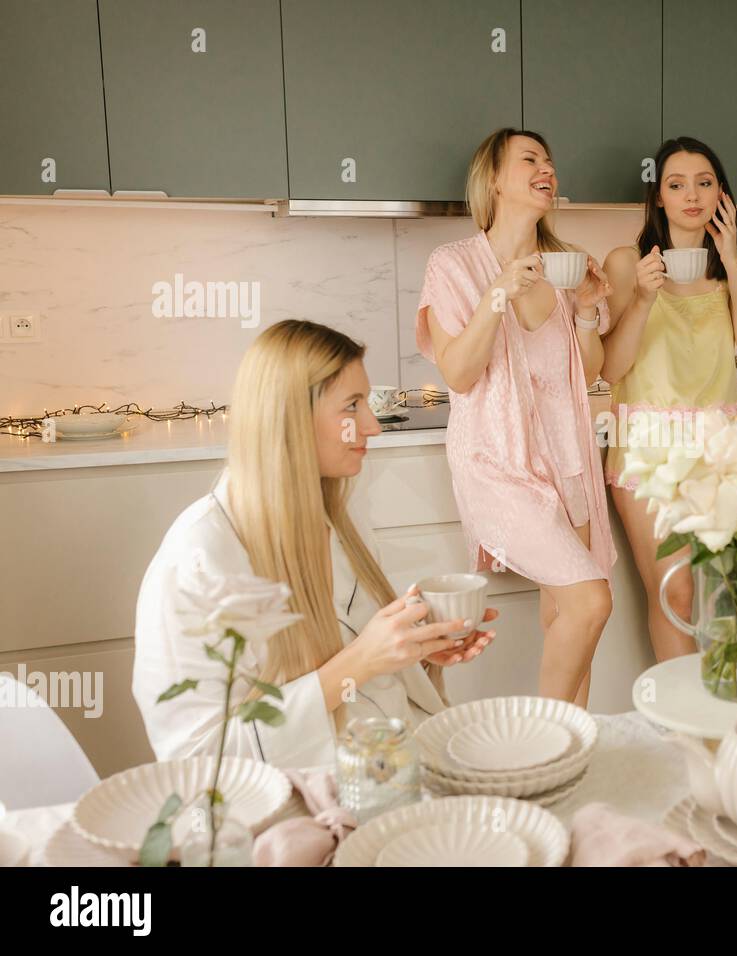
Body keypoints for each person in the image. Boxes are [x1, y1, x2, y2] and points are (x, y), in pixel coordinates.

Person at [133, 320, 496, 768]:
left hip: (390, 764)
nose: (372, 427)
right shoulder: (199, 559)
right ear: (289, 418)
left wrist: (417, 652)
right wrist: (359, 662)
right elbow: (196, 758)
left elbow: (362, 677)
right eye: (352, 406)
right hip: (296, 805)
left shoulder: (344, 516)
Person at [415, 128, 614, 706]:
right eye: (530, 159)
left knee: (569, 616)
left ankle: (576, 758)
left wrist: (588, 312)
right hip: (497, 463)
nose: (547, 167)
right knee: (591, 599)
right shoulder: (452, 264)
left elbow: (589, 371)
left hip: (568, 458)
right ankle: (542, 739)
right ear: (494, 179)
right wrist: (496, 293)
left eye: (550, 160)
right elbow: (458, 372)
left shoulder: (562, 268)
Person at [601, 137, 737, 661]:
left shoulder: (726, 273)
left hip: (720, 452)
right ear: (659, 197)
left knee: (724, 593)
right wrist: (641, 298)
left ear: (721, 193)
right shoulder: (626, 262)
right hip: (648, 448)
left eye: (704, 183)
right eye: (676, 185)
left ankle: (713, 715)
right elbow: (610, 367)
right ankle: (683, 730)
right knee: (674, 590)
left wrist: (733, 258)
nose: (691, 195)